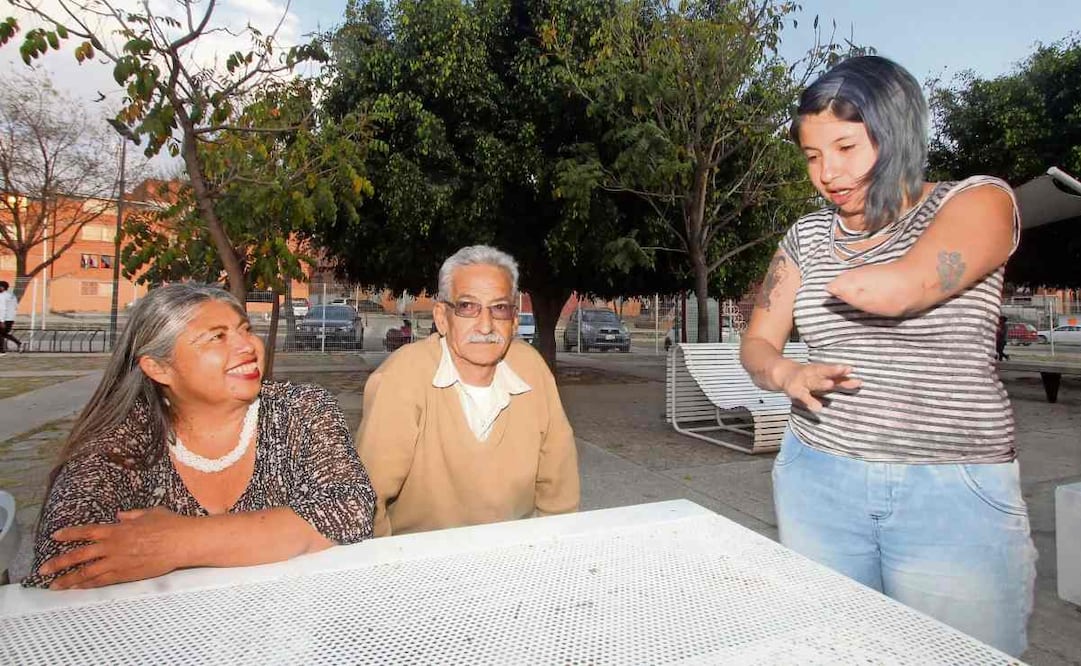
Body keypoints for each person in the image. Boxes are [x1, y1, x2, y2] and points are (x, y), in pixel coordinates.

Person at [739, 56, 1036, 656]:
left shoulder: (979, 201)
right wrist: (784, 371)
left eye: (846, 147)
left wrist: (855, 282)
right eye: (813, 156)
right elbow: (757, 340)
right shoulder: (805, 236)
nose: (828, 173)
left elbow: (908, 287)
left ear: (897, 133)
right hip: (819, 477)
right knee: (835, 649)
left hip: (952, 487)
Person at [24, 284, 376, 589]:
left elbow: (350, 510)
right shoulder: (121, 437)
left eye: (245, 329)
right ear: (159, 368)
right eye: (217, 337)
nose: (248, 346)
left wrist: (178, 543)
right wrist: (281, 534)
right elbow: (65, 557)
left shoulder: (300, 410)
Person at [357, 245, 579, 537]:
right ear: (441, 317)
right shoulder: (402, 379)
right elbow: (364, 503)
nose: (485, 326)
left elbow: (559, 497)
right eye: (467, 307)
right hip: (420, 568)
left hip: (515, 559)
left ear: (514, 320)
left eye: (499, 308)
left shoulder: (532, 372)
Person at [0, 280, 21, 354]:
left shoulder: (2, 296)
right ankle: (18, 343)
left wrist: (1, 321)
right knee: (4, 334)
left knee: (1, 334)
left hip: (4, 318)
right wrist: (13, 318)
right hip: (10, 318)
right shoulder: (12, 295)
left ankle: (1, 350)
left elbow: (2, 308)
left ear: (2, 287)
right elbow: (16, 307)